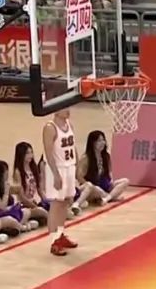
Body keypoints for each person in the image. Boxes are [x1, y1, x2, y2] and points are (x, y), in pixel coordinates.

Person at [41, 108, 79, 256]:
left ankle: (60, 235)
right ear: (56, 110)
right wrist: (56, 174)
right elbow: (48, 154)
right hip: (57, 169)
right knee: (56, 204)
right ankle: (54, 241)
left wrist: (76, 165)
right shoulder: (50, 128)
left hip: (69, 167)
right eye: (64, 108)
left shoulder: (70, 124)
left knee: (64, 203)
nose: (68, 110)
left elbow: (73, 147)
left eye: (68, 107)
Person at [77, 130, 129, 205]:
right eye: (99, 141)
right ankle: (111, 197)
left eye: (103, 140)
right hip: (93, 188)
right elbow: (79, 176)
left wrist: (111, 180)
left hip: (104, 185)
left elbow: (110, 171)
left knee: (125, 181)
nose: (102, 143)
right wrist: (90, 186)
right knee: (98, 190)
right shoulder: (86, 158)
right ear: (92, 143)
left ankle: (106, 198)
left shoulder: (106, 156)